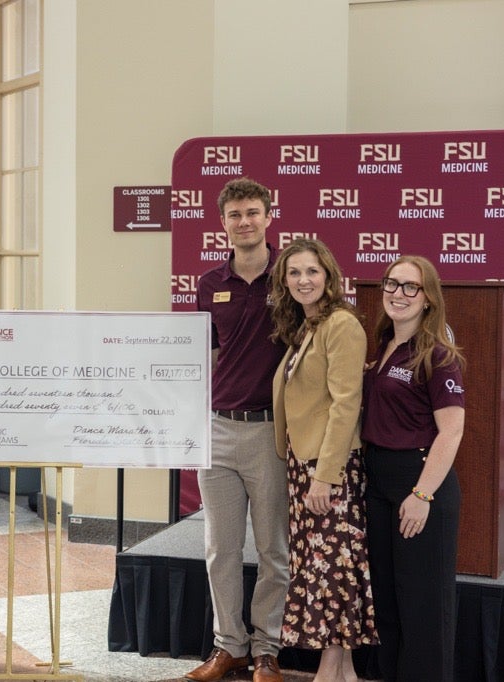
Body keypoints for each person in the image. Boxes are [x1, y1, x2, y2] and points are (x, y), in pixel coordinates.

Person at [186, 178, 288, 682]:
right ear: (222, 222)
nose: (244, 222)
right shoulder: (209, 283)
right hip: (219, 432)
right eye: (234, 215)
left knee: (272, 549)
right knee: (220, 549)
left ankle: (267, 650)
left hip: (273, 434)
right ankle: (230, 647)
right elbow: (206, 355)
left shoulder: (292, 276)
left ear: (269, 216)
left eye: (253, 212)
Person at [270, 239, 377, 682]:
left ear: (329, 275)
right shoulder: (306, 326)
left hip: (328, 469)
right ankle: (344, 671)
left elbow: (345, 404)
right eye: (294, 273)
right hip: (304, 465)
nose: (303, 280)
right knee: (320, 567)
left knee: (332, 568)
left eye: (311, 271)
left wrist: (325, 478)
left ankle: (330, 667)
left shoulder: (341, 325)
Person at [361, 256, 464, 682]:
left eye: (411, 287)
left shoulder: (437, 354)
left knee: (423, 606)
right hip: (379, 481)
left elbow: (452, 432)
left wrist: (422, 496)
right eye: (392, 284)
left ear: (428, 299)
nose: (398, 294)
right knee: (387, 601)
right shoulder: (382, 344)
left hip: (419, 483)